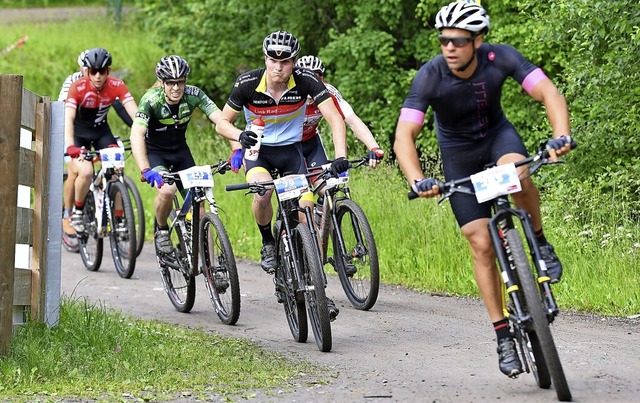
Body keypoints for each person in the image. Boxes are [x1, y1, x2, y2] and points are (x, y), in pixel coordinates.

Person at [393, 1, 573, 378]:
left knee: (519, 173)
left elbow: (549, 94)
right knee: (480, 242)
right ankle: (503, 334)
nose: (449, 48)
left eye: (458, 40)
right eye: (443, 40)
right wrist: (417, 179)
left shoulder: (500, 57)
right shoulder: (430, 75)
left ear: (477, 40)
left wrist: (560, 136)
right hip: (459, 155)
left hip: (496, 138)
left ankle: (539, 241)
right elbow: (404, 135)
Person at [216, 30, 348, 320]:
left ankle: (319, 291)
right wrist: (240, 135)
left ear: (293, 61)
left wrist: (340, 156)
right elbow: (222, 123)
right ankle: (267, 243)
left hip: (291, 152)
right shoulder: (248, 83)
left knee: (307, 212)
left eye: (285, 61)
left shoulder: (306, 80)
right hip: (259, 153)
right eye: (273, 60)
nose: (279, 67)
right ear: (265, 59)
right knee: (262, 191)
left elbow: (335, 118)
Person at [130, 55, 236, 255]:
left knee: (200, 205)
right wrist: (145, 168)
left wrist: (236, 148)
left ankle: (210, 266)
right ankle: (162, 229)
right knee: (167, 191)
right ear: (162, 82)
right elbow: (137, 134)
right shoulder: (151, 101)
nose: (176, 88)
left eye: (180, 82)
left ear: (185, 81)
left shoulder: (194, 94)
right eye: (170, 83)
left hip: (181, 153)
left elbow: (222, 121)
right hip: (156, 154)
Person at [60, 49, 134, 242]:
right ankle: (74, 212)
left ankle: (119, 219)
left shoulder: (116, 85)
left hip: (101, 131)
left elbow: (133, 113)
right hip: (78, 134)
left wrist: (144, 134)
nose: (98, 76)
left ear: (108, 71)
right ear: (86, 70)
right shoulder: (75, 85)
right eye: (93, 71)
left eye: (102, 71)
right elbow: (66, 117)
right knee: (83, 171)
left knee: (116, 168)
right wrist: (69, 146)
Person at [294, 55, 384, 170]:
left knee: (326, 185)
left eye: (315, 79)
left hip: (312, 142)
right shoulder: (288, 93)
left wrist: (374, 147)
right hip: (289, 145)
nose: (310, 84)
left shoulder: (328, 92)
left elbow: (352, 120)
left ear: (321, 79)